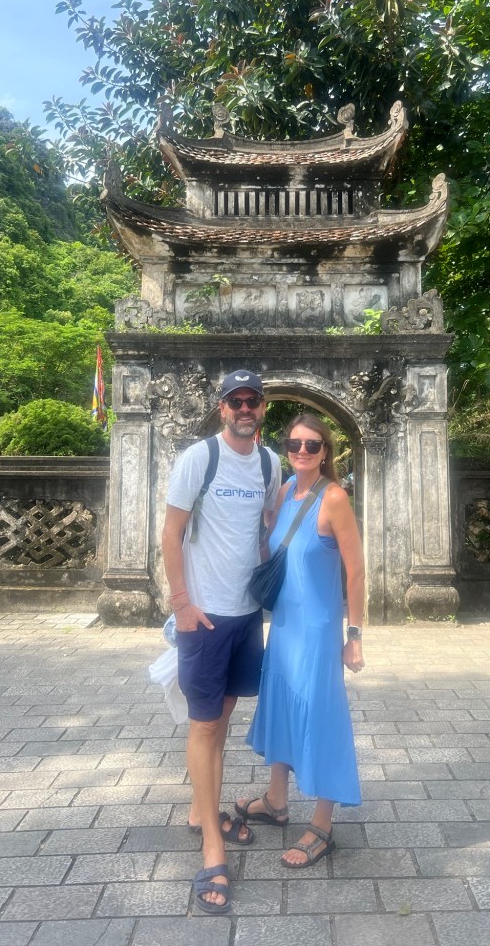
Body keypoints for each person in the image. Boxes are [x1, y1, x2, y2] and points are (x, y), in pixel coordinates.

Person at [162, 369, 280, 913]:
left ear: (263, 407)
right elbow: (171, 531)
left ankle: (199, 811)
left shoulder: (270, 463)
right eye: (236, 401)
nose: (244, 409)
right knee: (204, 723)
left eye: (252, 400)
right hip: (205, 616)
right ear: (222, 407)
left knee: (223, 717)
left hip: (246, 613)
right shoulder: (199, 459)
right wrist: (182, 603)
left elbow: (267, 531)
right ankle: (212, 845)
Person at [236, 413, 365, 868]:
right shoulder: (285, 490)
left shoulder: (334, 498)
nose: (303, 451)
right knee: (282, 705)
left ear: (325, 451)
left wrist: (354, 635)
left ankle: (323, 825)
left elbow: (356, 571)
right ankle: (276, 800)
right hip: (285, 624)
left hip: (317, 630)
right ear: (286, 448)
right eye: (295, 444)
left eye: (312, 445)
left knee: (319, 715)